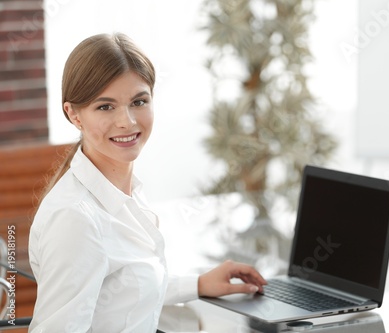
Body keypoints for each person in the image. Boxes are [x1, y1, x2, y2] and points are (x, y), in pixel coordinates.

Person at [28, 33, 267, 332]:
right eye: (105, 107)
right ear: (73, 114)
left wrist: (201, 283)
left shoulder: (124, 191)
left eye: (138, 101)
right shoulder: (75, 219)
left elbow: (122, 292)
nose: (127, 121)